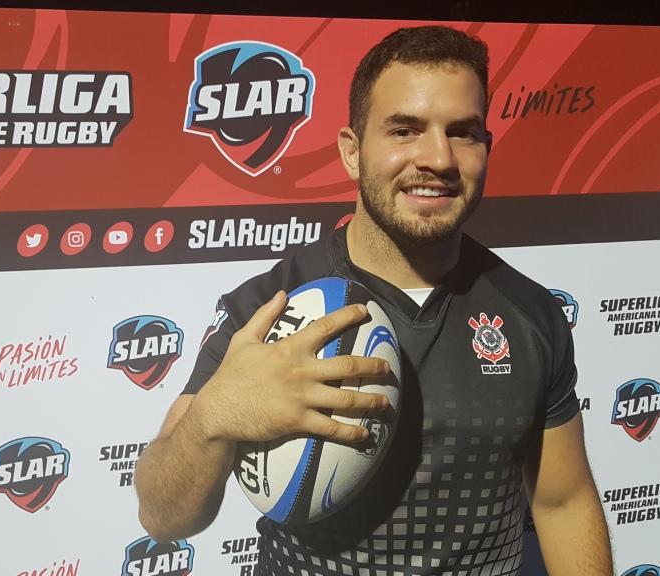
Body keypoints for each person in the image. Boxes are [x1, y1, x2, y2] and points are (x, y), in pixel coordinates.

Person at [134, 25, 612, 575]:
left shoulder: (531, 314)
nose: (438, 158)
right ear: (353, 152)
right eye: (404, 130)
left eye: (462, 132)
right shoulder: (268, 310)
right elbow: (164, 517)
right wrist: (215, 416)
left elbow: (562, 502)